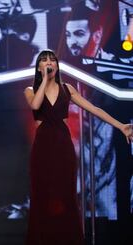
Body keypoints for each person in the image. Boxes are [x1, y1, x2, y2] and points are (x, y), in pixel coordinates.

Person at [23, 49, 133, 245]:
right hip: (42, 148)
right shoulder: (30, 90)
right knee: (42, 194)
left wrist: (120, 126)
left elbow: (95, 109)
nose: (50, 63)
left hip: (63, 147)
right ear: (39, 67)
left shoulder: (68, 89)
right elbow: (35, 105)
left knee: (65, 195)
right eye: (45, 61)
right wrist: (44, 80)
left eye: (53, 60)